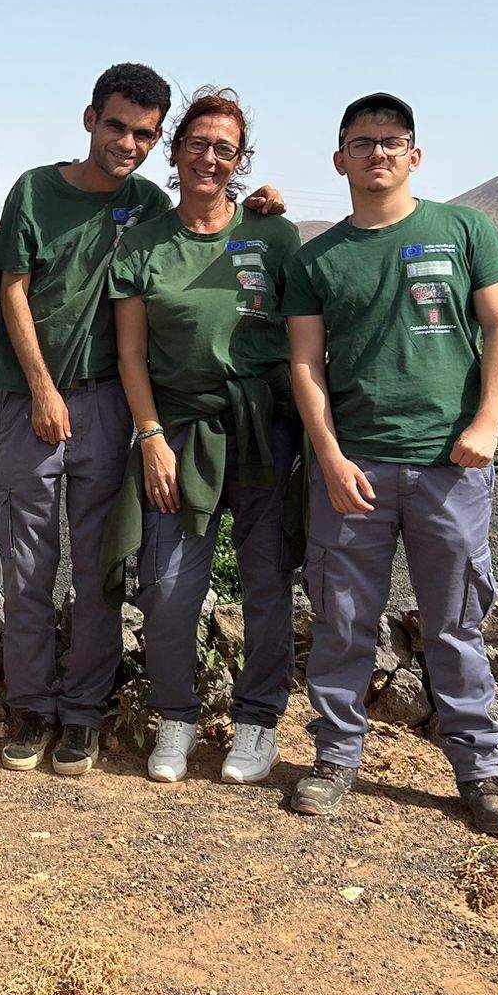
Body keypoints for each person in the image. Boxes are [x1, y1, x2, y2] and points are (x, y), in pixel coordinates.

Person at [0, 64, 284, 777]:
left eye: (144, 134)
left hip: (112, 405)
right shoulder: (38, 189)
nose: (129, 143)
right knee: (29, 562)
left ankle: (85, 712)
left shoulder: (150, 204)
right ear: (90, 118)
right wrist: (41, 387)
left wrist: (266, 206)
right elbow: (13, 289)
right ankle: (32, 705)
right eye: (118, 126)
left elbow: (217, 220)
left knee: (101, 565)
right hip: (37, 400)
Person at [282, 92, 498, 835]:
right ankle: (334, 759)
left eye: (391, 142)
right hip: (353, 467)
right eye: (362, 143)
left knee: (455, 623)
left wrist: (487, 424)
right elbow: (304, 362)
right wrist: (326, 456)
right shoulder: (318, 257)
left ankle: (481, 772)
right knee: (343, 620)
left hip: (450, 466)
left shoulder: (464, 230)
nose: (377, 154)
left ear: (414, 155)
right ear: (340, 159)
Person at [104, 89, 302, 784]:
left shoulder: (270, 235)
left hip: (259, 429)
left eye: (225, 148)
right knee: (167, 581)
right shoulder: (143, 246)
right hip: (178, 431)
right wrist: (150, 435)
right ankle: (176, 717)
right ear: (176, 150)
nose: (209, 157)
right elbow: (131, 355)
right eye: (197, 142)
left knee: (266, 577)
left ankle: (256, 723)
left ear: (239, 161)